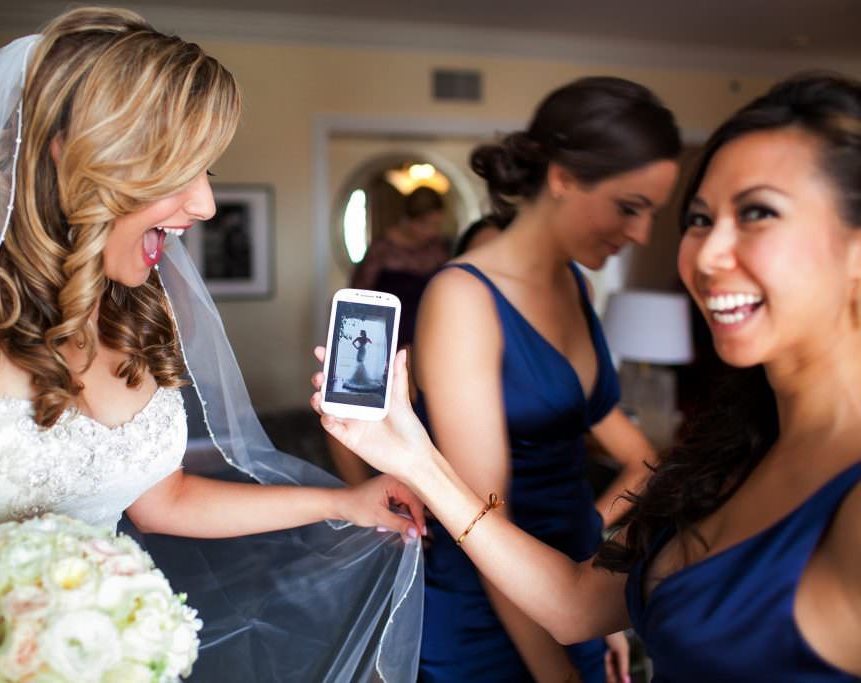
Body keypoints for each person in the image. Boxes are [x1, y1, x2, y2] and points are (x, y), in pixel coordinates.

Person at [0, 9, 425, 681]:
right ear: (76, 153)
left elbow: (161, 499)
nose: (204, 204)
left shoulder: (139, 314)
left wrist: (341, 502)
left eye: (206, 171)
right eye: (178, 170)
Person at [314, 73, 861, 681]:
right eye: (700, 220)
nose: (703, 256)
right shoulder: (738, 456)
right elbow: (575, 605)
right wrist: (416, 460)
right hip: (502, 604)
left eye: (758, 213)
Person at [409, 77, 677, 683]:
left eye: (652, 214)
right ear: (562, 178)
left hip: (567, 593)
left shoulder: (575, 284)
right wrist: (559, 672)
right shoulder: (462, 298)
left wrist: (596, 610)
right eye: (630, 207)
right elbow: (485, 518)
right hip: (489, 620)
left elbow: (593, 477)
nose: (641, 235)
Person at [350, 186, 450, 348]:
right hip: (385, 336)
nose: (432, 232)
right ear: (408, 219)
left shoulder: (438, 250)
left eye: (436, 225)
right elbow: (359, 295)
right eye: (426, 224)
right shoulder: (381, 249)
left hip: (428, 334)